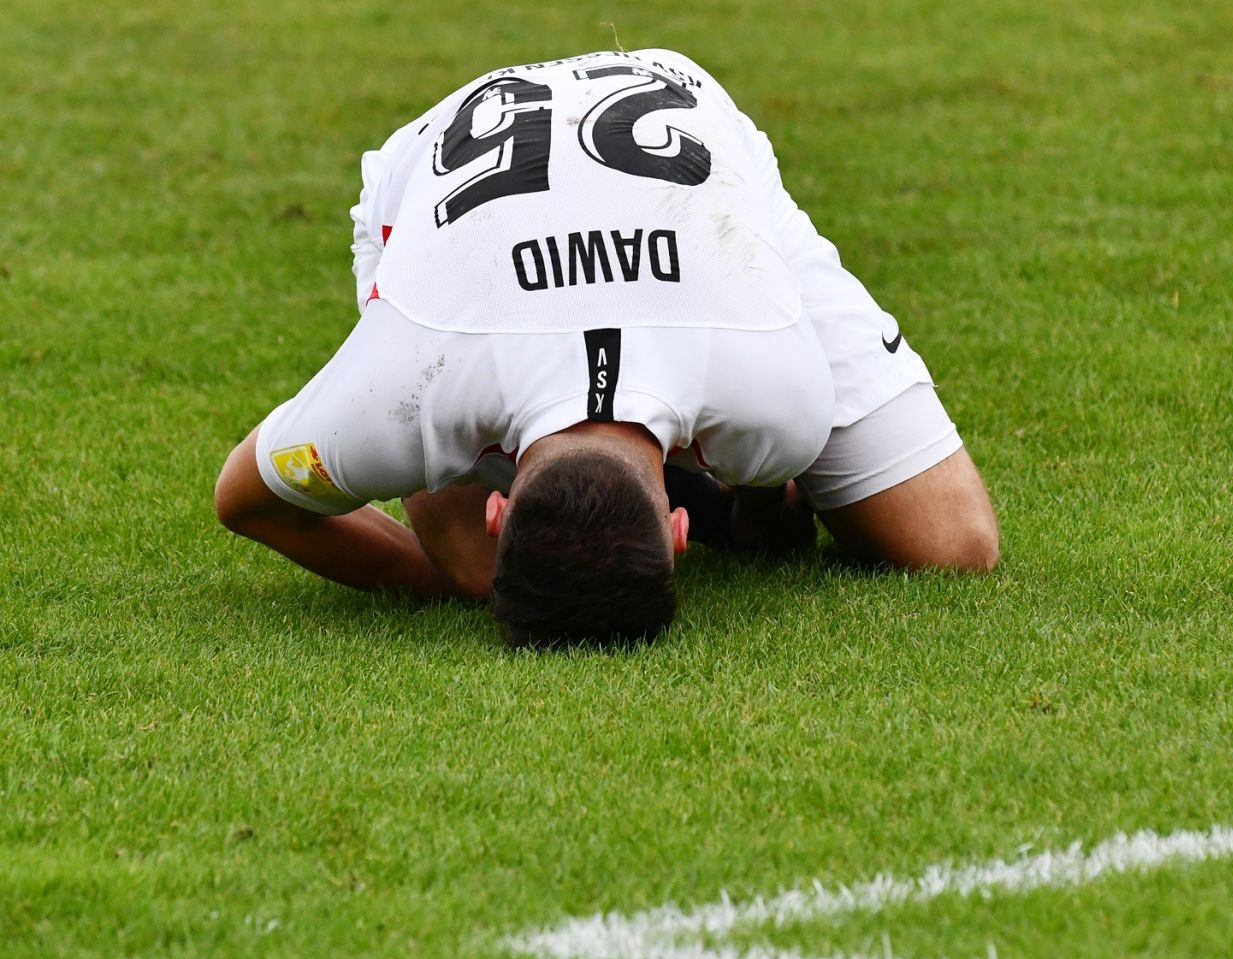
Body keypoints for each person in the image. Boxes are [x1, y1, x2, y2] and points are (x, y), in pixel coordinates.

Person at [214, 49, 998, 647]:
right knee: (479, 571)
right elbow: (244, 502)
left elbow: (242, 499)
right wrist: (445, 580)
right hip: (448, 208)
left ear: (498, 506)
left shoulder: (399, 390)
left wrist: (764, 508)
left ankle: (511, 538)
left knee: (951, 545)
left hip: (704, 194)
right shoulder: (407, 380)